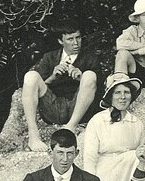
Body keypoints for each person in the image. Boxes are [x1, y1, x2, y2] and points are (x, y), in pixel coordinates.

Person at [22, 20, 100, 152]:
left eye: (78, 38)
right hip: (54, 107)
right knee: (31, 76)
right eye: (70, 39)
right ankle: (33, 135)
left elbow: (99, 90)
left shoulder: (90, 58)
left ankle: (70, 127)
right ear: (60, 41)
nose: (75, 43)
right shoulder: (50, 57)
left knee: (90, 75)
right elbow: (35, 87)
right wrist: (52, 77)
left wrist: (81, 77)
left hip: (79, 109)